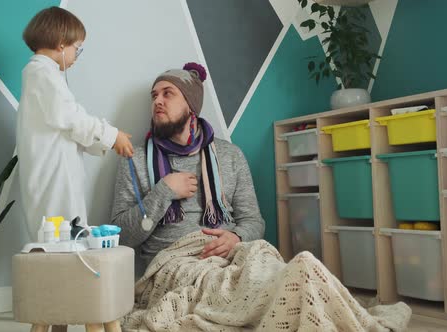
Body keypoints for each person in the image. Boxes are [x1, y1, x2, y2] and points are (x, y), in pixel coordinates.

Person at [110, 62, 265, 265]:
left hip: (231, 258)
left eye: (168, 94)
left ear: (190, 105)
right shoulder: (135, 160)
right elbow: (122, 237)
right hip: (174, 264)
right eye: (154, 95)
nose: (158, 101)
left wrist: (236, 237)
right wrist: (163, 191)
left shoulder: (230, 155)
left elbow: (254, 221)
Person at [17, 6, 134, 237]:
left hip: (57, 174)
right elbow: (71, 117)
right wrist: (111, 136)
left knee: (67, 237)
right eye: (77, 48)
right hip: (53, 178)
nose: (76, 57)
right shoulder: (40, 73)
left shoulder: (46, 75)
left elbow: (68, 125)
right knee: (59, 240)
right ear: (62, 43)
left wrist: (105, 141)